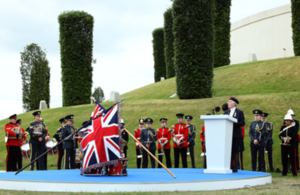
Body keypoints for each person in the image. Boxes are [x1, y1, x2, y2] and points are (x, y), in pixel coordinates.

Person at [223, 97, 245, 172]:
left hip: (236, 135)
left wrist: (233, 123)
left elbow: (242, 123)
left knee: (235, 152)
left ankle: (235, 167)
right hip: (227, 135)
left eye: (229, 102)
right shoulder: (226, 113)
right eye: (228, 102)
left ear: (234, 104)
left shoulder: (239, 112)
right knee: (228, 152)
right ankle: (229, 167)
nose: (228, 103)